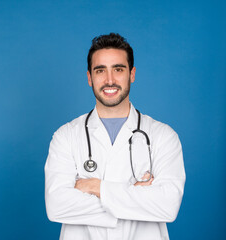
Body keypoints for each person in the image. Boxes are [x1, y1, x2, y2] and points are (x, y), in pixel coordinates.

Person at [44, 33, 186, 240]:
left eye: (118, 69)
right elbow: (57, 206)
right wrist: (135, 198)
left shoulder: (163, 136)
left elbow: (167, 206)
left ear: (132, 74)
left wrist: (95, 187)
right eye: (100, 70)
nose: (110, 80)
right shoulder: (65, 136)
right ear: (89, 78)